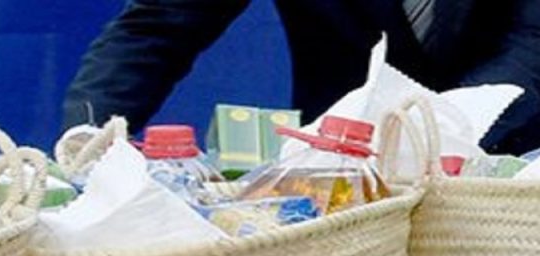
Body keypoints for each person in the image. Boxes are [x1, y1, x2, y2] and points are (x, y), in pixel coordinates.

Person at [63, 0, 540, 154]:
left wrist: (423, 143)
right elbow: (157, 27)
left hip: (512, 162)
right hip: (337, 181)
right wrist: (87, 137)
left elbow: (532, 43)